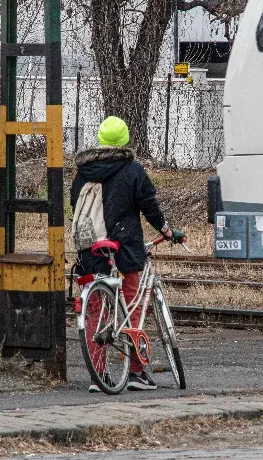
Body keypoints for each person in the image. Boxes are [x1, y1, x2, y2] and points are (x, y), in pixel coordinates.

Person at [71, 115, 183, 391]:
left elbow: (75, 206)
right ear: (125, 140)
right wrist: (167, 231)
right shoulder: (132, 170)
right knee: (131, 304)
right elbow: (149, 206)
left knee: (96, 309)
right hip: (122, 248)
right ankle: (135, 372)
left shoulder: (83, 172)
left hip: (90, 248)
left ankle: (99, 375)